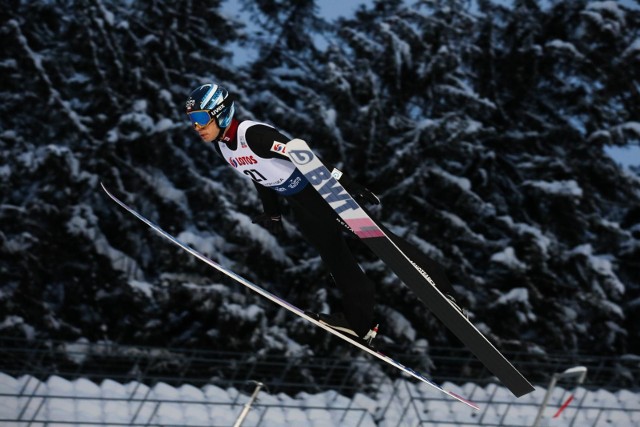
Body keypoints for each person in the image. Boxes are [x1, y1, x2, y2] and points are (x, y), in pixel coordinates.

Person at [185, 83, 459, 346]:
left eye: (200, 118)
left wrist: (347, 185)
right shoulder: (223, 146)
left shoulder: (253, 134)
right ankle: (358, 324)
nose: (196, 126)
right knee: (335, 258)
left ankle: (442, 289)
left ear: (220, 112)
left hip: (320, 192)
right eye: (192, 120)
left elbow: (303, 155)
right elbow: (259, 174)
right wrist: (272, 212)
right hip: (299, 203)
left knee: (379, 240)